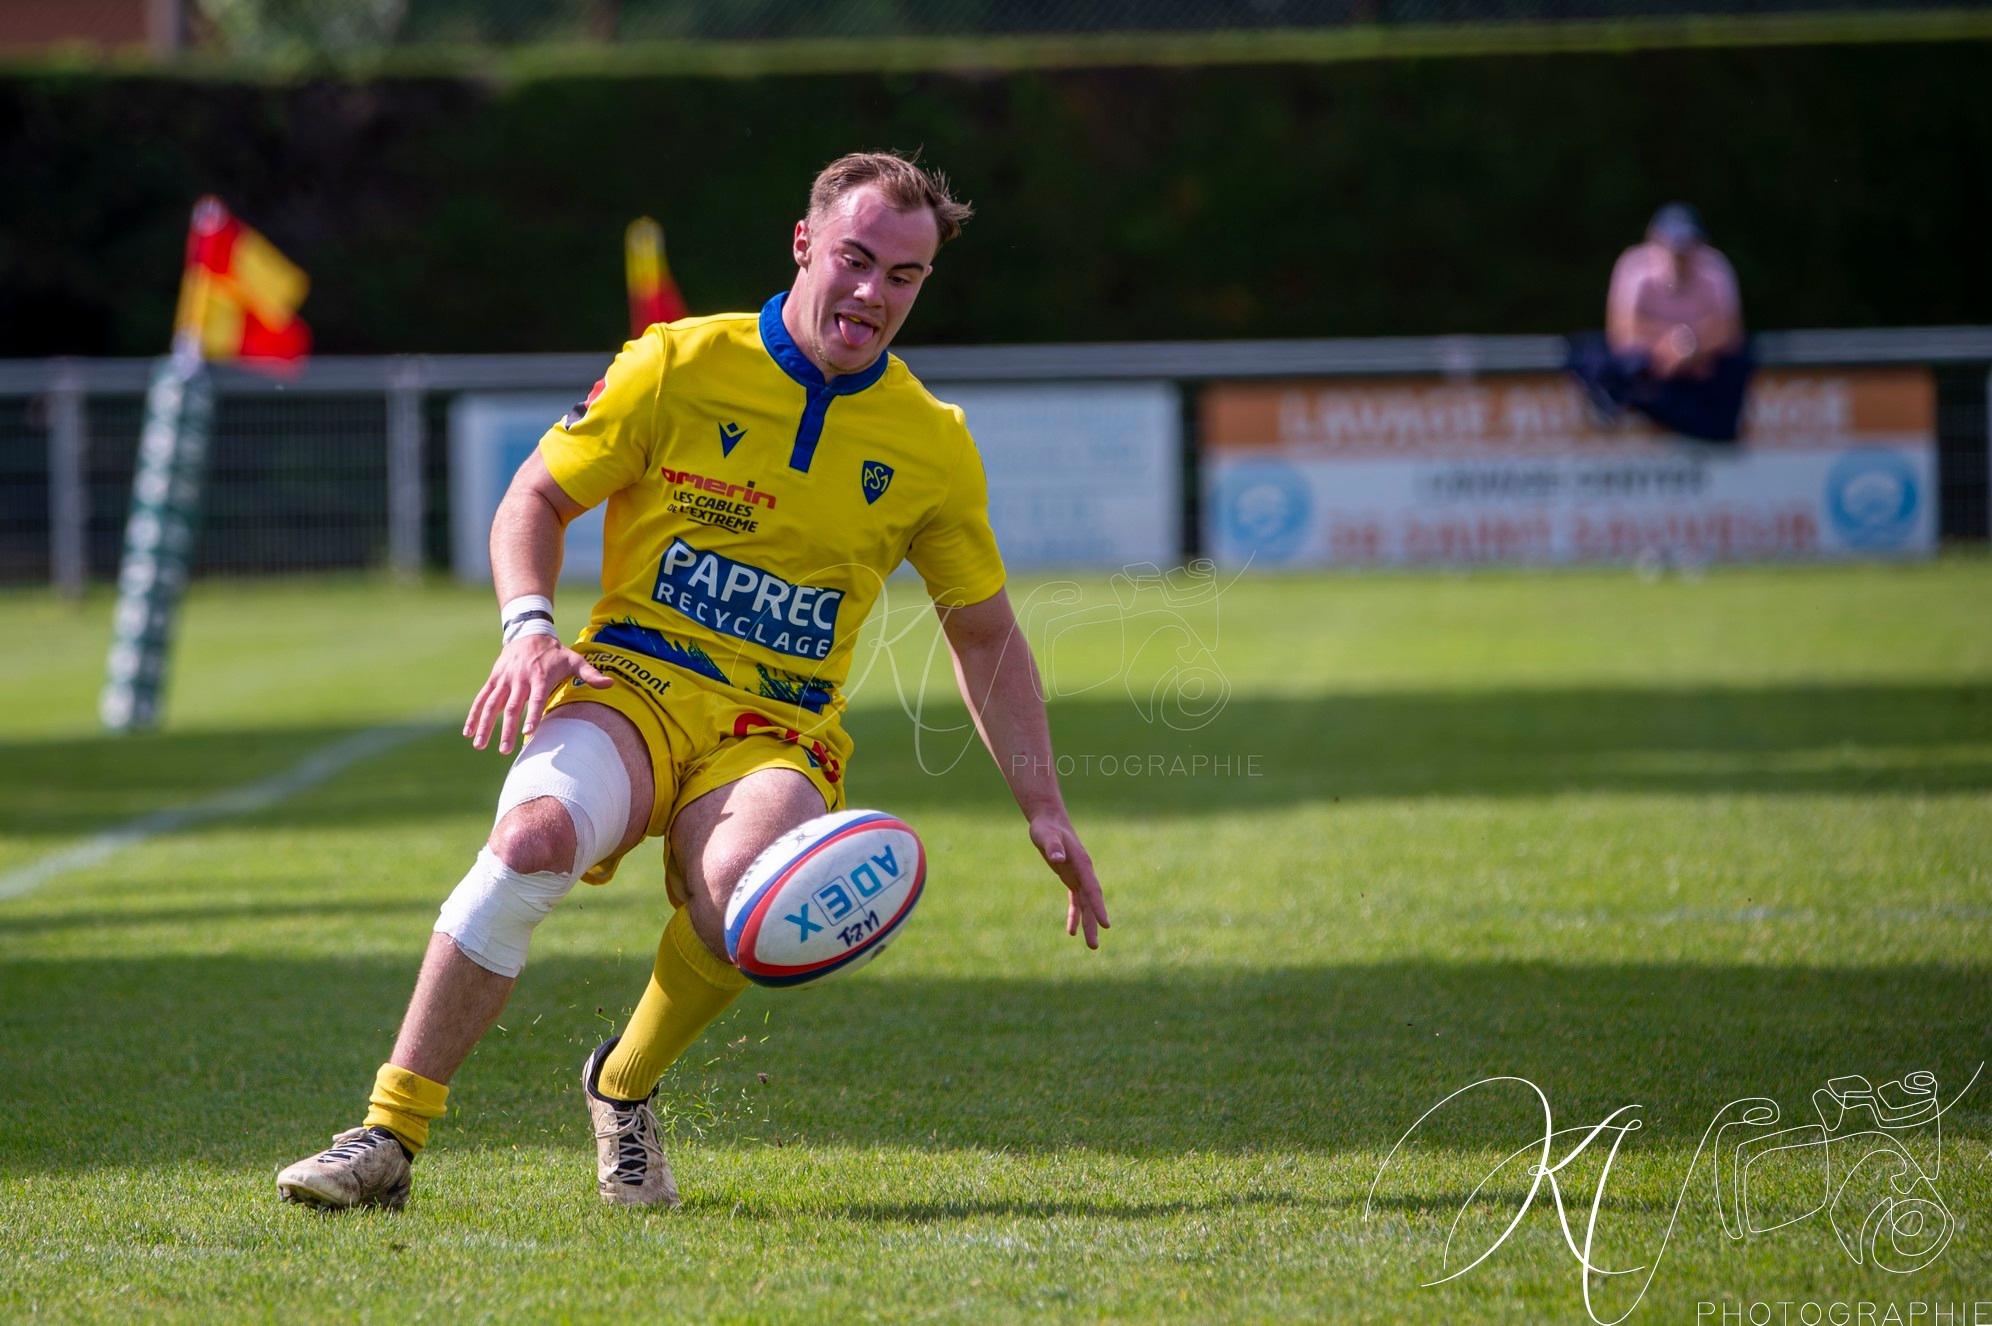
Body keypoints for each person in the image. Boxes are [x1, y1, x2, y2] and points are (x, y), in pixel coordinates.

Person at [275, 151, 1111, 1212]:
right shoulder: (675, 362)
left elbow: (985, 634)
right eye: (856, 260)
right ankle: (386, 1139)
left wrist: (1043, 806)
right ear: (805, 243)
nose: (873, 293)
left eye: (904, 276)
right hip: (630, 684)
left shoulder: (933, 445)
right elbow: (534, 497)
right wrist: (528, 628)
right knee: (529, 843)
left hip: (776, 730)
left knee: (744, 906)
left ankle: (620, 1088)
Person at [1568, 203, 1752, 442]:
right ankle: (1620, 407)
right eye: (1672, 243)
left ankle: (1718, 431)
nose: (1680, 254)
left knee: (1738, 361)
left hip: (1701, 367)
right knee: (1595, 355)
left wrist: (1691, 351)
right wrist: (1668, 349)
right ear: (1654, 240)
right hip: (1652, 365)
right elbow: (1621, 330)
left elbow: (1729, 330)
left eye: (1686, 244)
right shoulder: (1635, 266)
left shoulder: (1716, 268)